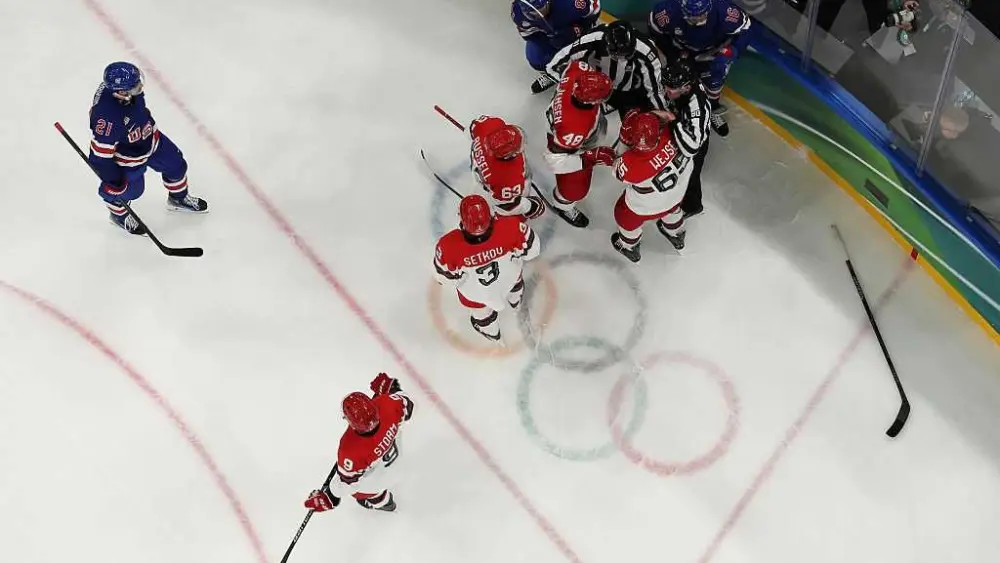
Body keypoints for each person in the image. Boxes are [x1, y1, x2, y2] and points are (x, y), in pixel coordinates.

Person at [88, 62, 208, 235]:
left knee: (176, 165)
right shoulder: (107, 119)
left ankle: (178, 199)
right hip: (130, 157)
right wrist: (114, 182)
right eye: (135, 86)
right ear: (120, 92)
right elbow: (99, 157)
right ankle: (118, 214)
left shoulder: (121, 90)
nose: (140, 87)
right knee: (130, 191)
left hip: (151, 139)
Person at [433, 195, 541, 341]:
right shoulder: (510, 226)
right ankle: (516, 304)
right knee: (515, 284)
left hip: (476, 294)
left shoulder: (448, 246)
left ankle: (493, 334)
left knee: (482, 314)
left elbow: (443, 279)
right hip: (509, 279)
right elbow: (533, 250)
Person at [303, 373, 415, 513]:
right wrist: (392, 389)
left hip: (377, 480)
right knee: (377, 477)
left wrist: (329, 498)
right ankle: (388, 503)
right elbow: (409, 407)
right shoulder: (388, 404)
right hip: (399, 463)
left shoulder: (349, 449)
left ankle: (385, 503)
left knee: (360, 492)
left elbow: (346, 485)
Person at [611, 106, 709, 262]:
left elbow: (617, 170)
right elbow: (670, 116)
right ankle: (676, 235)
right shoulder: (675, 132)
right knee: (672, 210)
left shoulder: (631, 164)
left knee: (624, 217)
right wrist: (650, 118)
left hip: (645, 206)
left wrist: (623, 139)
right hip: (677, 194)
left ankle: (629, 246)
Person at [647, 0, 751, 136]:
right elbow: (654, 28)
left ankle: (712, 107)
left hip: (712, 52)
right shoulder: (668, 11)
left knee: (716, 77)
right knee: (677, 80)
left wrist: (730, 52)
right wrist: (672, 54)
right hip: (682, 50)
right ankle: (680, 108)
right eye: (693, 17)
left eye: (702, 15)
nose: (699, 19)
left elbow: (746, 29)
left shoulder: (724, 11)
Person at [542, 61, 617, 228]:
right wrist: (588, 158)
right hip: (570, 145)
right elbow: (554, 159)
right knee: (575, 191)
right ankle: (562, 206)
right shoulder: (573, 130)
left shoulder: (577, 70)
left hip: (569, 126)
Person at [543, 20, 669, 118]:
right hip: (595, 80)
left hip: (625, 87)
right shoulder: (594, 38)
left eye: (627, 55)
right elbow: (559, 60)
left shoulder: (646, 50)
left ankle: (612, 101)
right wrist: (566, 82)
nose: (622, 58)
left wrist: (662, 111)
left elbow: (655, 87)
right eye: (618, 55)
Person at [511, 0, 602, 94]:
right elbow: (530, 35)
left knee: (584, 48)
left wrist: (582, 29)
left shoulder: (572, 3)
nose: (538, 14)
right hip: (550, 35)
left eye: (541, 9)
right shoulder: (518, 12)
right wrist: (548, 40)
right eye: (531, 12)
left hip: (574, 28)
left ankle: (581, 66)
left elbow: (595, 8)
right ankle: (556, 71)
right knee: (536, 59)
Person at [661, 57, 713, 218]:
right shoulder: (683, 85)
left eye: (671, 88)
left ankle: (693, 206)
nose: (666, 90)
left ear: (686, 87)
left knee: (691, 174)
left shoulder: (696, 107)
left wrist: (672, 120)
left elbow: (692, 147)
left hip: (696, 141)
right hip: (684, 126)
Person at [469, 116, 545, 220]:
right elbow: (508, 206)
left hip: (478, 166)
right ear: (507, 156)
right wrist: (531, 207)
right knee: (509, 216)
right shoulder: (507, 179)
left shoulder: (488, 125)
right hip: (492, 189)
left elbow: (473, 127)